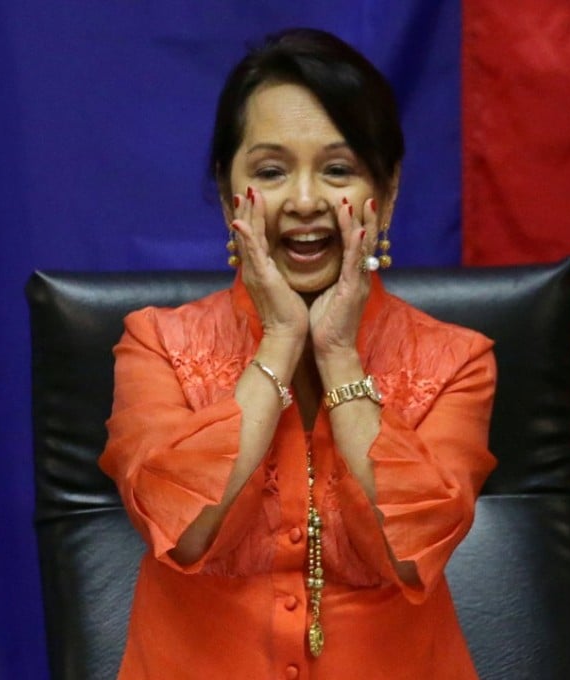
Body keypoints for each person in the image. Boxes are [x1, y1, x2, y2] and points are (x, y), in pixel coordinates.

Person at [100, 28, 497, 679]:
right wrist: (281, 341)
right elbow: (187, 529)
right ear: (230, 195)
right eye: (271, 171)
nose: (306, 202)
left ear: (387, 194)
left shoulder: (457, 361)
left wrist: (338, 353)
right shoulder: (155, 346)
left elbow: (407, 553)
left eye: (337, 170)